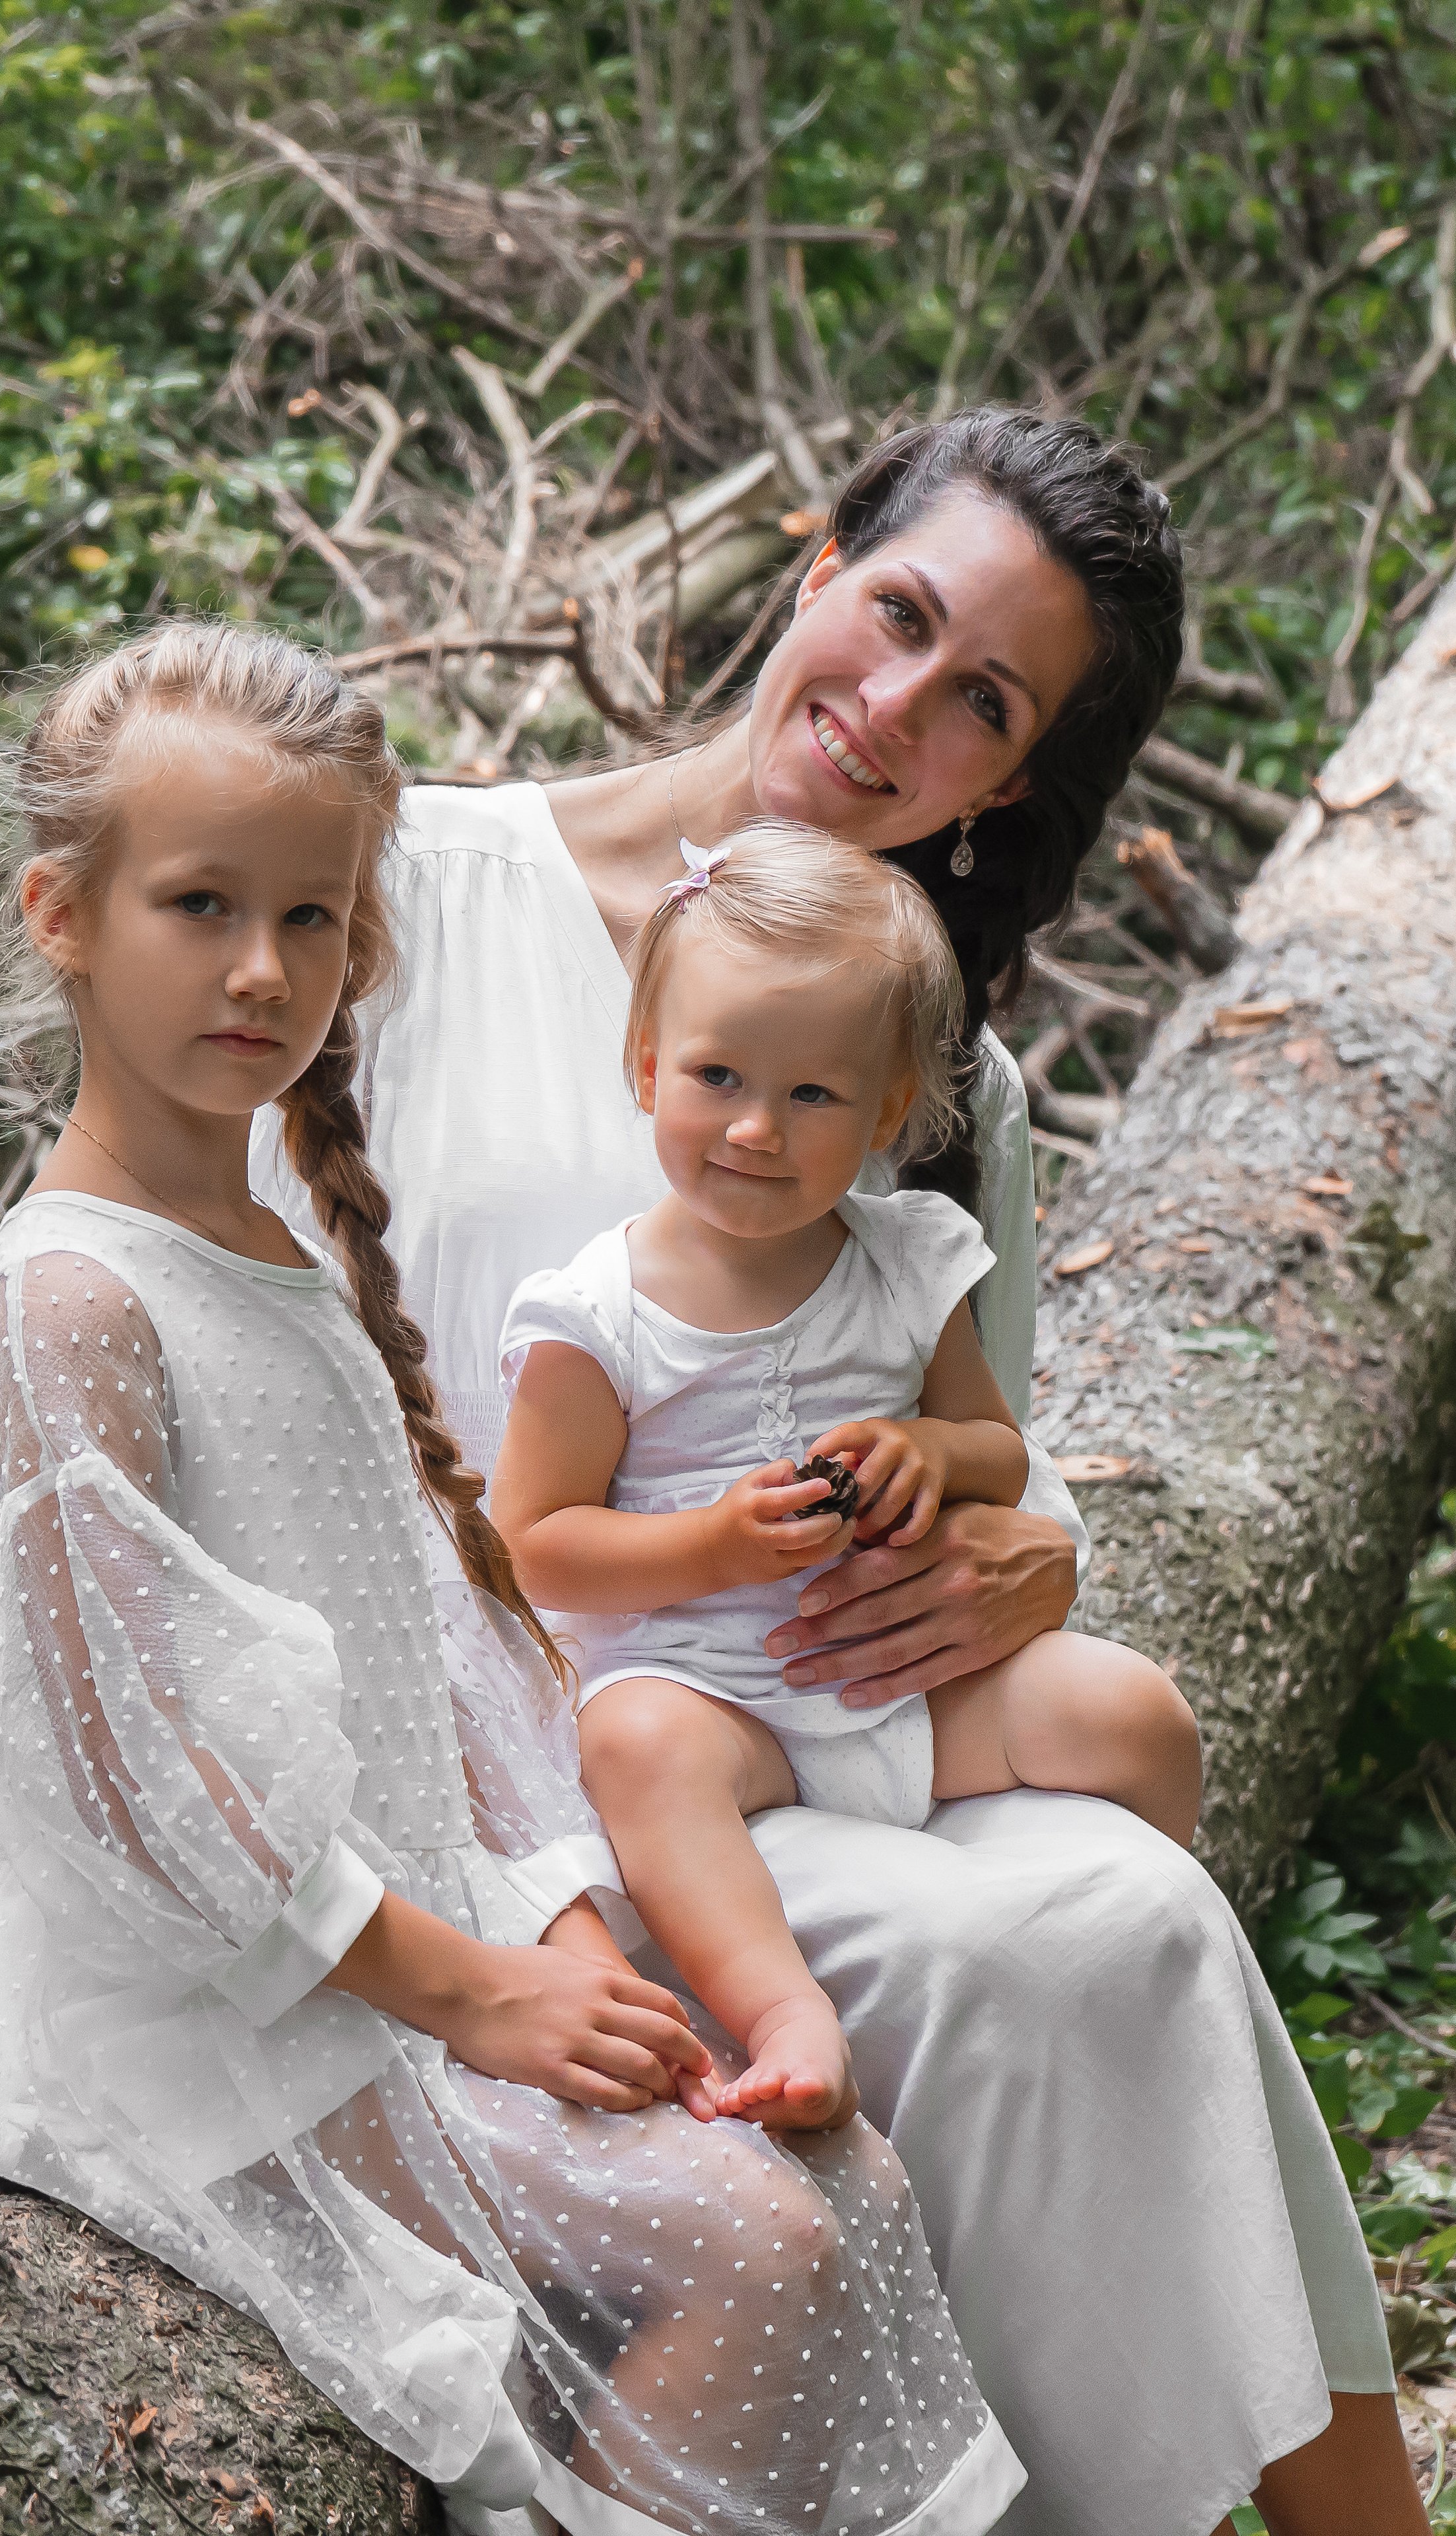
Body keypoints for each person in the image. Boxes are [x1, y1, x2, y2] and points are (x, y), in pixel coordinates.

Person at [0, 413, 1420, 2535]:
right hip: (489, 1753)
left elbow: (994, 1460)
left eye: (984, 700)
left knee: (1133, 1909)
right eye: (899, 616)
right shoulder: (391, 889)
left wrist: (1014, 1570)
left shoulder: (937, 1067)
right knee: (1046, 1956)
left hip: (756, 1717)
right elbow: (133, 1299)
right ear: (812, 569)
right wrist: (1, 1665)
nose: (897, 710)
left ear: (1014, 777)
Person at [0, 621, 1026, 2536]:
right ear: (61, 911)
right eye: (201, 904)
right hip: (227, 2002)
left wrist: (554, 1935)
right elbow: (139, 1804)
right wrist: (470, 1995)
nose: (262, 970)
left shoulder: (273, 1257)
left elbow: (442, 1675)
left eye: (315, 919)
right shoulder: (76, 1302)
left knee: (848, 2185)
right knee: (758, 2247)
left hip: (404, 1930)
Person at [491, 824, 1200, 2133]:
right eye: (717, 1076)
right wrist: (706, 1546)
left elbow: (996, 1450)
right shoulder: (596, 1315)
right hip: (715, 1700)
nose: (756, 1128)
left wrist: (934, 1453)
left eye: (813, 1096)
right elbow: (530, 1544)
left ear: (882, 1114)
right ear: (648, 1068)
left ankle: (1142, 1992)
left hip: (908, 1688)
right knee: (629, 1742)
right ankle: (778, 2010)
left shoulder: (909, 1263)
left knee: (1134, 1710)